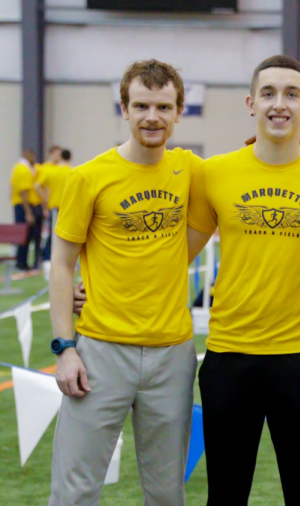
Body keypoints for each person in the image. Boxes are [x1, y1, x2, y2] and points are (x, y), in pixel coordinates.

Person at [186, 55, 300, 505]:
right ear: (250, 103)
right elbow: (175, 255)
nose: (280, 104)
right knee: (226, 494)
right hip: (229, 357)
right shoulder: (215, 172)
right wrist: (94, 287)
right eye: (269, 94)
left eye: (291, 94)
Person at [48, 59, 201, 506]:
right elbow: (61, 265)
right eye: (141, 106)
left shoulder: (192, 169)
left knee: (166, 494)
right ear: (125, 109)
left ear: (179, 111)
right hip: (99, 351)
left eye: (162, 106)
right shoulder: (89, 177)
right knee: (74, 491)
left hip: (172, 355)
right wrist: (64, 348)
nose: (152, 116)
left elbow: (257, 163)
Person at [36, 146, 73, 260]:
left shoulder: (51, 170)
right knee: (60, 234)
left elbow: (37, 186)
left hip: (55, 205)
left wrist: (46, 199)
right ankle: (50, 257)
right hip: (62, 206)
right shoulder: (70, 170)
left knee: (54, 234)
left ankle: (47, 257)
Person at [10, 150, 43, 270]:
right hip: (25, 206)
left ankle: (24, 262)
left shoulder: (27, 168)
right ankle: (21, 262)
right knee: (24, 234)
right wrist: (28, 213)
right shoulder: (22, 169)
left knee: (28, 235)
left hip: (26, 205)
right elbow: (23, 192)